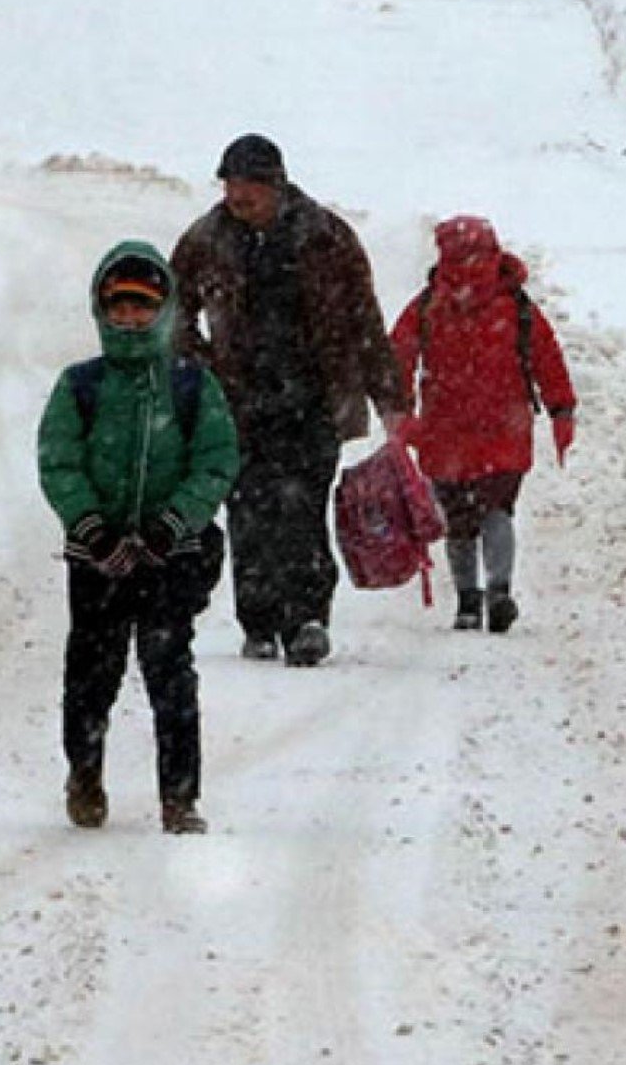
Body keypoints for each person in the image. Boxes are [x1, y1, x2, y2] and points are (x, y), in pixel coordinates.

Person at [170, 133, 409, 667]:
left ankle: (306, 619)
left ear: (275, 184)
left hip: (313, 400)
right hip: (237, 404)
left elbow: (364, 320)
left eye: (247, 187)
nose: (236, 197)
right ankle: (258, 620)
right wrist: (197, 370)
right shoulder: (206, 239)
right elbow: (172, 315)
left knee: (302, 510)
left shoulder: (327, 237)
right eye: (229, 185)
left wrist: (389, 397)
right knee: (249, 510)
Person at [37, 241, 239, 834]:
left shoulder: (192, 387)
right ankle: (85, 774)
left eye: (142, 308)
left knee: (169, 671)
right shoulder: (79, 385)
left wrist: (172, 523)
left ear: (166, 311)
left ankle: (179, 797)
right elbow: (59, 462)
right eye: (119, 307)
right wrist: (91, 527)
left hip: (167, 558)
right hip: (95, 559)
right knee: (90, 673)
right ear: (101, 310)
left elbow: (216, 460)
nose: (130, 319)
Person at [389, 215, 577, 633]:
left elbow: (397, 357)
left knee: (458, 520)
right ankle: (499, 590)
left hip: (446, 429)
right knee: (497, 510)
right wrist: (561, 410)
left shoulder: (428, 306)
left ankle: (468, 600)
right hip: (503, 428)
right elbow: (548, 360)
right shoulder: (516, 306)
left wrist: (399, 410)